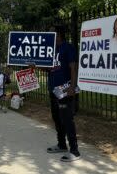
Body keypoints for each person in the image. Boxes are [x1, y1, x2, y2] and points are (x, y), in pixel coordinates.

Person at [33, 25, 80, 162]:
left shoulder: (68, 47)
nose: (48, 35)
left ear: (58, 34)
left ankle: (75, 150)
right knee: (57, 119)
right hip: (53, 90)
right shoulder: (51, 50)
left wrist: (72, 86)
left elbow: (73, 67)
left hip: (65, 90)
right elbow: (48, 69)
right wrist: (35, 66)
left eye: (51, 33)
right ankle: (61, 144)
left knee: (67, 119)